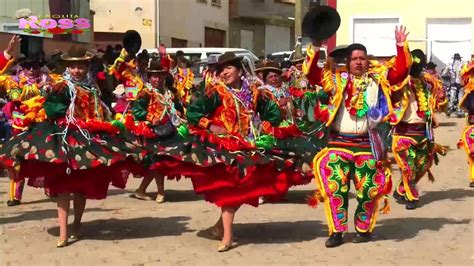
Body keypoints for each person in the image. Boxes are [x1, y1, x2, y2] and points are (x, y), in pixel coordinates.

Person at [0, 46, 139, 247]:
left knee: (81, 189)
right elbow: (51, 108)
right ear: (68, 67)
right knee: (63, 189)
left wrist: (110, 123)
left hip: (87, 141)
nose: (77, 71)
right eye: (73, 67)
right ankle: (64, 233)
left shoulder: (92, 89)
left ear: (86, 67)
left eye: (80, 66)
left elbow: (100, 112)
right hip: (65, 140)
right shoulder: (61, 86)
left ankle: (76, 225)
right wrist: (60, 110)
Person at [182, 52, 303, 252]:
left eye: (228, 68)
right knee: (230, 191)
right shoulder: (215, 92)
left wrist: (267, 124)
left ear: (239, 70)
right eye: (221, 70)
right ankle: (227, 237)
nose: (224, 73)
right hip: (223, 147)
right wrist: (210, 125)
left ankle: (219, 228)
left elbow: (272, 112)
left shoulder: (254, 92)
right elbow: (193, 112)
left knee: (245, 189)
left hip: (248, 145)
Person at [306, 25, 411, 247]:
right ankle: (337, 230)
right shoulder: (335, 80)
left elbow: (399, 72)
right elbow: (313, 74)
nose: (358, 62)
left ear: (367, 60)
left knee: (369, 190)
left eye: (362, 58)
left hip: (366, 144)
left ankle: (363, 228)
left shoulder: (377, 80)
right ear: (348, 61)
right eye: (354, 59)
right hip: (338, 144)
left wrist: (401, 46)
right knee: (335, 188)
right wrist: (316, 46)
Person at [390, 49, 448, 210]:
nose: (417, 67)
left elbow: (440, 103)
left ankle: (401, 189)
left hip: (424, 131)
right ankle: (412, 197)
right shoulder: (399, 82)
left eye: (420, 64)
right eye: (414, 64)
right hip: (403, 132)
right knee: (409, 167)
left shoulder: (428, 81)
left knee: (424, 165)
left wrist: (441, 97)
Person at [457, 60, 474, 187]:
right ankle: (473, 177)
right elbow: (466, 106)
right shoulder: (470, 92)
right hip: (472, 123)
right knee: (472, 152)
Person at [443, 53, 465, 117]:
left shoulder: (450, 65)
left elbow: (444, 73)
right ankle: (459, 110)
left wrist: (448, 78)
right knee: (460, 98)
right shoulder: (463, 65)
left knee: (452, 97)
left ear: (454, 59)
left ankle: (450, 109)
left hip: (453, 83)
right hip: (461, 84)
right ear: (460, 58)